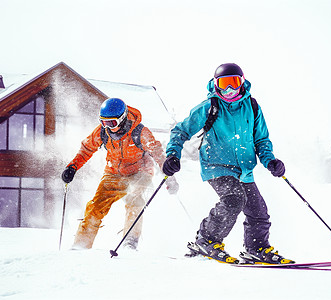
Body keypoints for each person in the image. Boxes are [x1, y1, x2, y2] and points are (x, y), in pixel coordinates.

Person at [162, 63, 294, 264]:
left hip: (244, 170)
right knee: (233, 199)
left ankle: (257, 248)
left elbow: (261, 140)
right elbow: (180, 131)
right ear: (216, 85)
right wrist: (173, 155)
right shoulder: (209, 107)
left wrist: (271, 161)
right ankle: (206, 240)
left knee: (258, 212)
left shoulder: (252, 107)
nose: (229, 89)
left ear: (243, 83)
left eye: (234, 83)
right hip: (217, 165)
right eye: (224, 84)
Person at [62, 98, 178, 250]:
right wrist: (73, 167)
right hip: (114, 172)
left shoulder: (139, 132)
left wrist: (170, 177)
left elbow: (157, 152)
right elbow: (87, 148)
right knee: (96, 206)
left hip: (140, 171)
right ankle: (81, 244)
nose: (108, 127)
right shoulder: (103, 131)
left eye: (112, 123)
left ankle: (130, 241)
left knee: (134, 199)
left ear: (122, 119)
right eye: (103, 122)